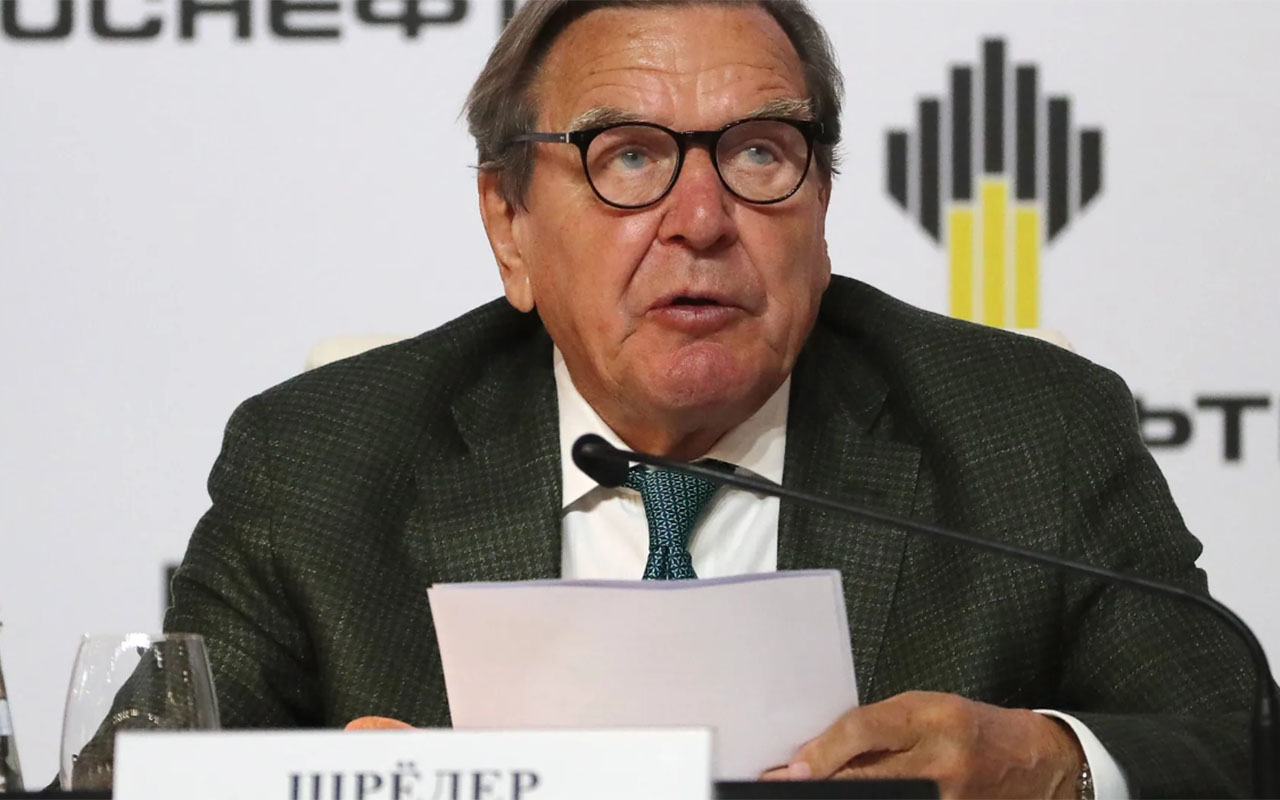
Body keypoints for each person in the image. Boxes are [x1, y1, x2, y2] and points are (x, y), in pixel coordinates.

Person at [147, 1, 1251, 797]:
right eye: (628, 158)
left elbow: (1238, 746)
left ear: (821, 202)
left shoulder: (1029, 433)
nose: (702, 220)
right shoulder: (319, 461)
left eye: (759, 152)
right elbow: (143, 772)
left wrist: (1054, 764)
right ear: (508, 223)